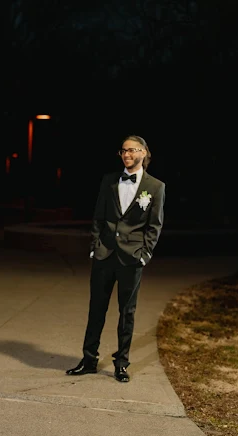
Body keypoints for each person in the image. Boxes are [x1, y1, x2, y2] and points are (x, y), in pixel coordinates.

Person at [66, 135, 165, 383]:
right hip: (105, 255)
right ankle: (89, 360)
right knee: (96, 310)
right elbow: (98, 216)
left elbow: (154, 225)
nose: (126, 154)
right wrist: (95, 246)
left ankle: (121, 363)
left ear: (144, 153)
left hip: (131, 258)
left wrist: (145, 254)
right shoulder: (109, 180)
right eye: (123, 151)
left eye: (132, 150)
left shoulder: (155, 187)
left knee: (126, 313)